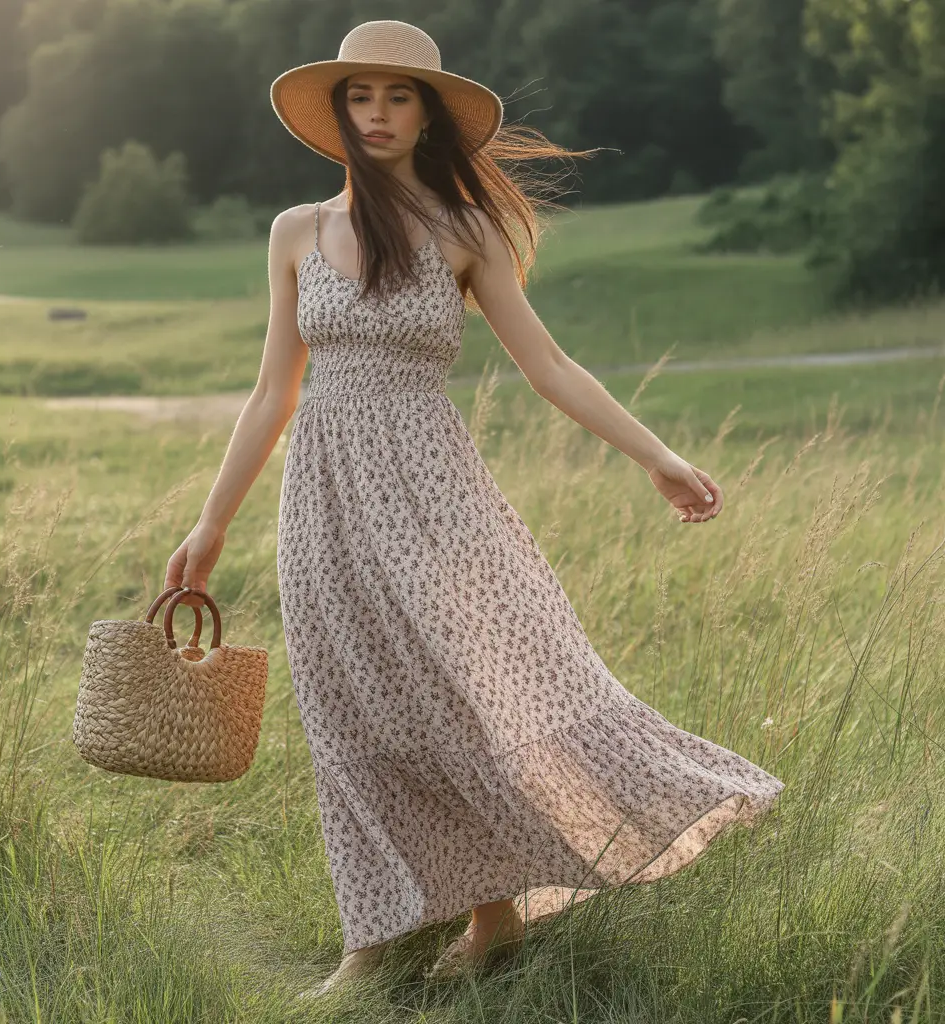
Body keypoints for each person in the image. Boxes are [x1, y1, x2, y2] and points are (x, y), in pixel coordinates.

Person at [164, 18, 785, 1000]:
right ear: (339, 111)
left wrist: (656, 454)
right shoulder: (293, 232)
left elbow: (548, 365)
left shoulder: (465, 230)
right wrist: (211, 523)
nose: (377, 114)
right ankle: (382, 938)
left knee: (466, 695)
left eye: (397, 96)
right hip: (321, 501)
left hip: (433, 492)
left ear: (426, 113)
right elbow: (270, 394)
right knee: (348, 713)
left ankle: (489, 918)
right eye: (360, 95)